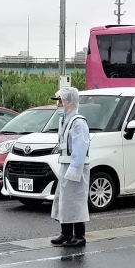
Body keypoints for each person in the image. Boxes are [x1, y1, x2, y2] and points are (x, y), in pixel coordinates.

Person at [50, 87, 91, 247]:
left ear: (69, 102)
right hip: (65, 165)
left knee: (76, 200)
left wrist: (75, 170)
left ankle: (79, 236)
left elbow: (80, 149)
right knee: (64, 199)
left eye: (60, 101)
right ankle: (66, 233)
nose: (58, 105)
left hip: (76, 167)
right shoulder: (65, 121)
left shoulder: (78, 123)